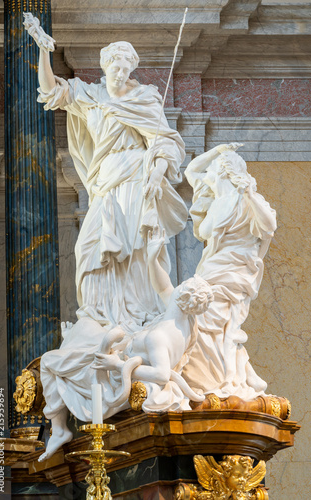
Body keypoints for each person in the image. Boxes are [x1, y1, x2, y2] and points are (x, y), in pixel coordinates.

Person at [24, 14, 188, 332]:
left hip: (137, 178)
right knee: (88, 248)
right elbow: (50, 91)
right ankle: (98, 316)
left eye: (126, 68)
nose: (120, 72)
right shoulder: (91, 96)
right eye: (115, 66)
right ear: (105, 66)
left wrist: (156, 173)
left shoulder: (144, 99)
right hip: (105, 182)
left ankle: (138, 318)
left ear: (131, 70)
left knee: (137, 251)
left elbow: (165, 142)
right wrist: (44, 50)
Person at [183, 143, 277, 400]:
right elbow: (192, 170)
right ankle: (231, 373)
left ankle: (226, 376)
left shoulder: (246, 200)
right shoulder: (216, 201)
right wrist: (218, 151)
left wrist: (248, 195)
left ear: (222, 173)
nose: (207, 176)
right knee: (204, 319)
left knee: (208, 320)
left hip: (235, 270)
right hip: (212, 267)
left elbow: (269, 227)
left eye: (211, 170)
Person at [92, 226, 213, 410]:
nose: (177, 285)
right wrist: (151, 258)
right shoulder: (187, 321)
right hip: (128, 349)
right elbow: (163, 288)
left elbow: (162, 374)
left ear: (183, 296)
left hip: (122, 366)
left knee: (81, 357)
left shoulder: (159, 337)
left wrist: (117, 365)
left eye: (182, 285)